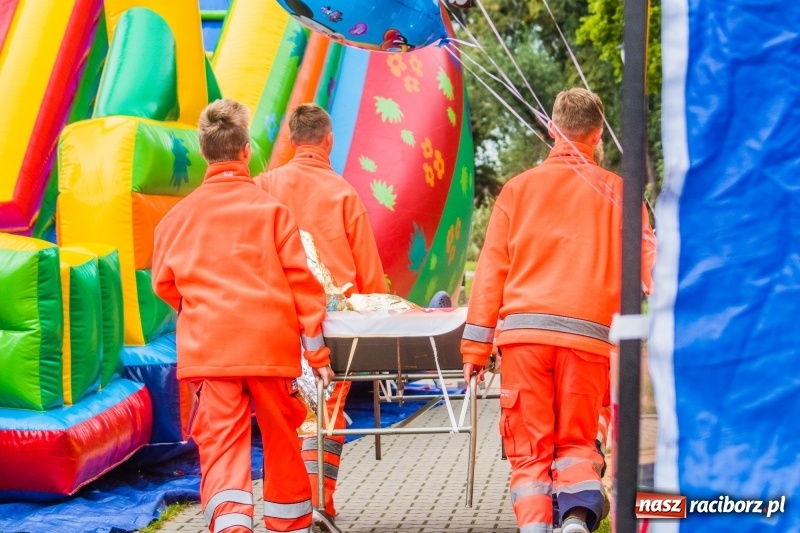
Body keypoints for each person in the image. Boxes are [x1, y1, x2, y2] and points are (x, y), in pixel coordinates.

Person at [461, 88, 656, 533]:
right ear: (597, 134)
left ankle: (534, 527)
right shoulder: (620, 193)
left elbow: (491, 269)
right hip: (588, 343)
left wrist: (475, 350)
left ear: (553, 128)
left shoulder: (517, 190)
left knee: (530, 451)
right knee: (577, 444)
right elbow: (652, 267)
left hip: (524, 343)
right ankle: (575, 520)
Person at [152, 98, 334, 533]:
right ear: (245, 150)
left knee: (222, 445)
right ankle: (288, 524)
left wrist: (198, 308)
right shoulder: (273, 212)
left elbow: (164, 283)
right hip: (270, 350)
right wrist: (318, 356)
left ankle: (233, 526)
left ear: (203, 151)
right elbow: (303, 288)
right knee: (282, 439)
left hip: (211, 352)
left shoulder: (176, 219)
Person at [254, 102, 386, 531]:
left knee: (281, 415)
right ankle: (319, 504)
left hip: (275, 319)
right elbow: (369, 278)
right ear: (329, 141)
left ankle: (285, 508)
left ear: (291, 141)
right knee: (325, 415)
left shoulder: (264, 186)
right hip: (334, 327)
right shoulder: (345, 194)